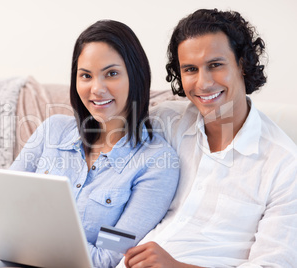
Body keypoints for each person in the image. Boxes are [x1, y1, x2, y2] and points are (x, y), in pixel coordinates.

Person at [0, 20, 179, 268]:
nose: (96, 88)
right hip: (7, 258)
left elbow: (108, 257)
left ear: (136, 75)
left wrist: (23, 239)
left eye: (111, 74)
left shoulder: (155, 163)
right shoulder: (54, 130)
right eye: (85, 75)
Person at [119, 8, 297, 268]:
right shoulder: (165, 122)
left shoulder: (284, 165)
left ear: (243, 65)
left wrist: (175, 267)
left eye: (215, 65)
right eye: (190, 69)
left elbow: (273, 265)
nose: (203, 84)